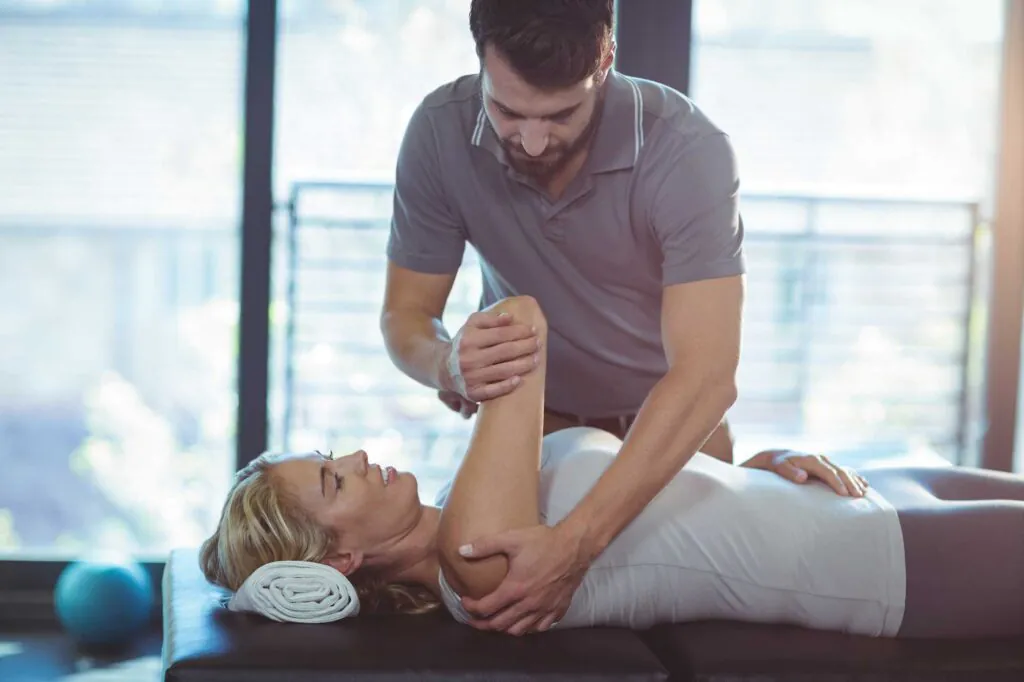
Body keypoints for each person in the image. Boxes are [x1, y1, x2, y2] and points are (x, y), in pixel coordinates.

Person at [203, 297, 1024, 639]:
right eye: (333, 481)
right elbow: (520, 315)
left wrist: (761, 466)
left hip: (858, 488)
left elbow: (667, 489)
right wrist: (452, 364)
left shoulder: (468, 498)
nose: (352, 456)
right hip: (875, 565)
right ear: (341, 561)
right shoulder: (475, 564)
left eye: (329, 456)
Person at [381, 0, 744, 634]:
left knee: (689, 640)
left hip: (666, 434)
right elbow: (405, 318)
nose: (532, 140)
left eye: (560, 114)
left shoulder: (687, 148)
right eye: (507, 111)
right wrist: (449, 365)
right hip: (537, 424)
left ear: (605, 60)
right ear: (479, 59)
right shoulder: (439, 132)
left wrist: (578, 542)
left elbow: (707, 376)